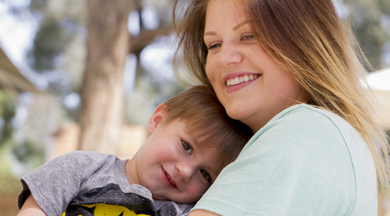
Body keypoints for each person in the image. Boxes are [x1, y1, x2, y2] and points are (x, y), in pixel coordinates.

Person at [173, 0, 390, 215]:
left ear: (305, 38)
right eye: (214, 45)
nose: (224, 58)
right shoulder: (335, 136)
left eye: (249, 36)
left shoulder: (304, 132)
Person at [17, 86, 253, 216]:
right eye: (186, 146)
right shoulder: (81, 168)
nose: (185, 171)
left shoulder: (186, 212)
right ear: (158, 119)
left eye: (205, 174)